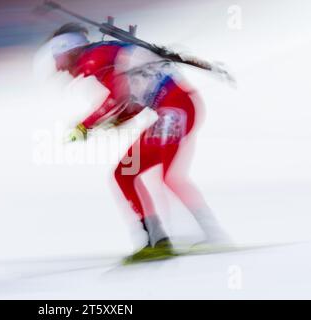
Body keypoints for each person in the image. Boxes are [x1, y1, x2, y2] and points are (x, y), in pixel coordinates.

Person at [47, 23, 230, 262]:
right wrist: (118, 119)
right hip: (174, 107)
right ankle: (157, 240)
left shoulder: (93, 60)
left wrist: (86, 125)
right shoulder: (101, 55)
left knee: (167, 177)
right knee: (124, 173)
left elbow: (117, 99)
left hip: (176, 108)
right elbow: (135, 99)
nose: (58, 68)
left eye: (57, 58)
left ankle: (209, 234)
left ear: (70, 51)